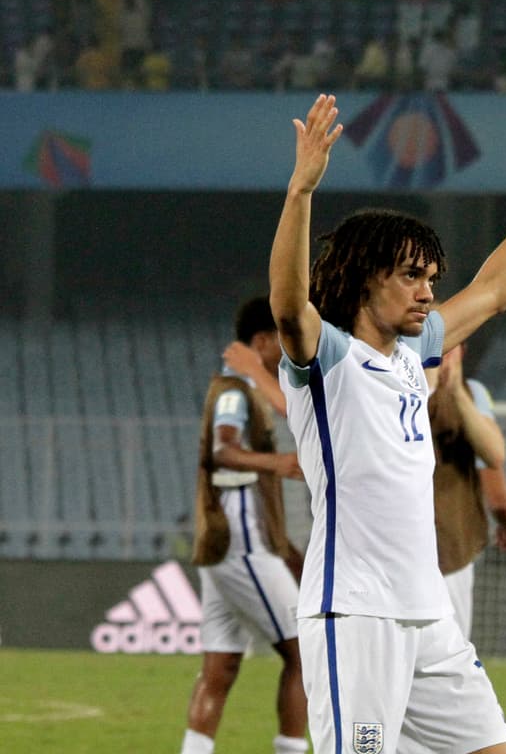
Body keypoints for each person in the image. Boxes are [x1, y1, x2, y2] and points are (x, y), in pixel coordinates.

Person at [269, 93, 506, 754]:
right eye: (411, 276)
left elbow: (493, 291)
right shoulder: (330, 359)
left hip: (427, 611)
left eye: (431, 277)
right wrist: (300, 192)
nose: (428, 291)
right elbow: (289, 306)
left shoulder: (412, 354)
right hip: (357, 611)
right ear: (366, 280)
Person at [181, 297, 308, 754]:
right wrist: (279, 462)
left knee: (220, 667)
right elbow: (224, 449)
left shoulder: (242, 388)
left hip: (226, 543)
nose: (287, 348)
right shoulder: (236, 390)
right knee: (305, 654)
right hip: (241, 542)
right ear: (261, 342)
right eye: (281, 339)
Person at [428, 342, 506, 640]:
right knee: (448, 669)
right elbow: (497, 487)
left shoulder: (379, 389)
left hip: (383, 557)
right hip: (447, 553)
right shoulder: (468, 395)